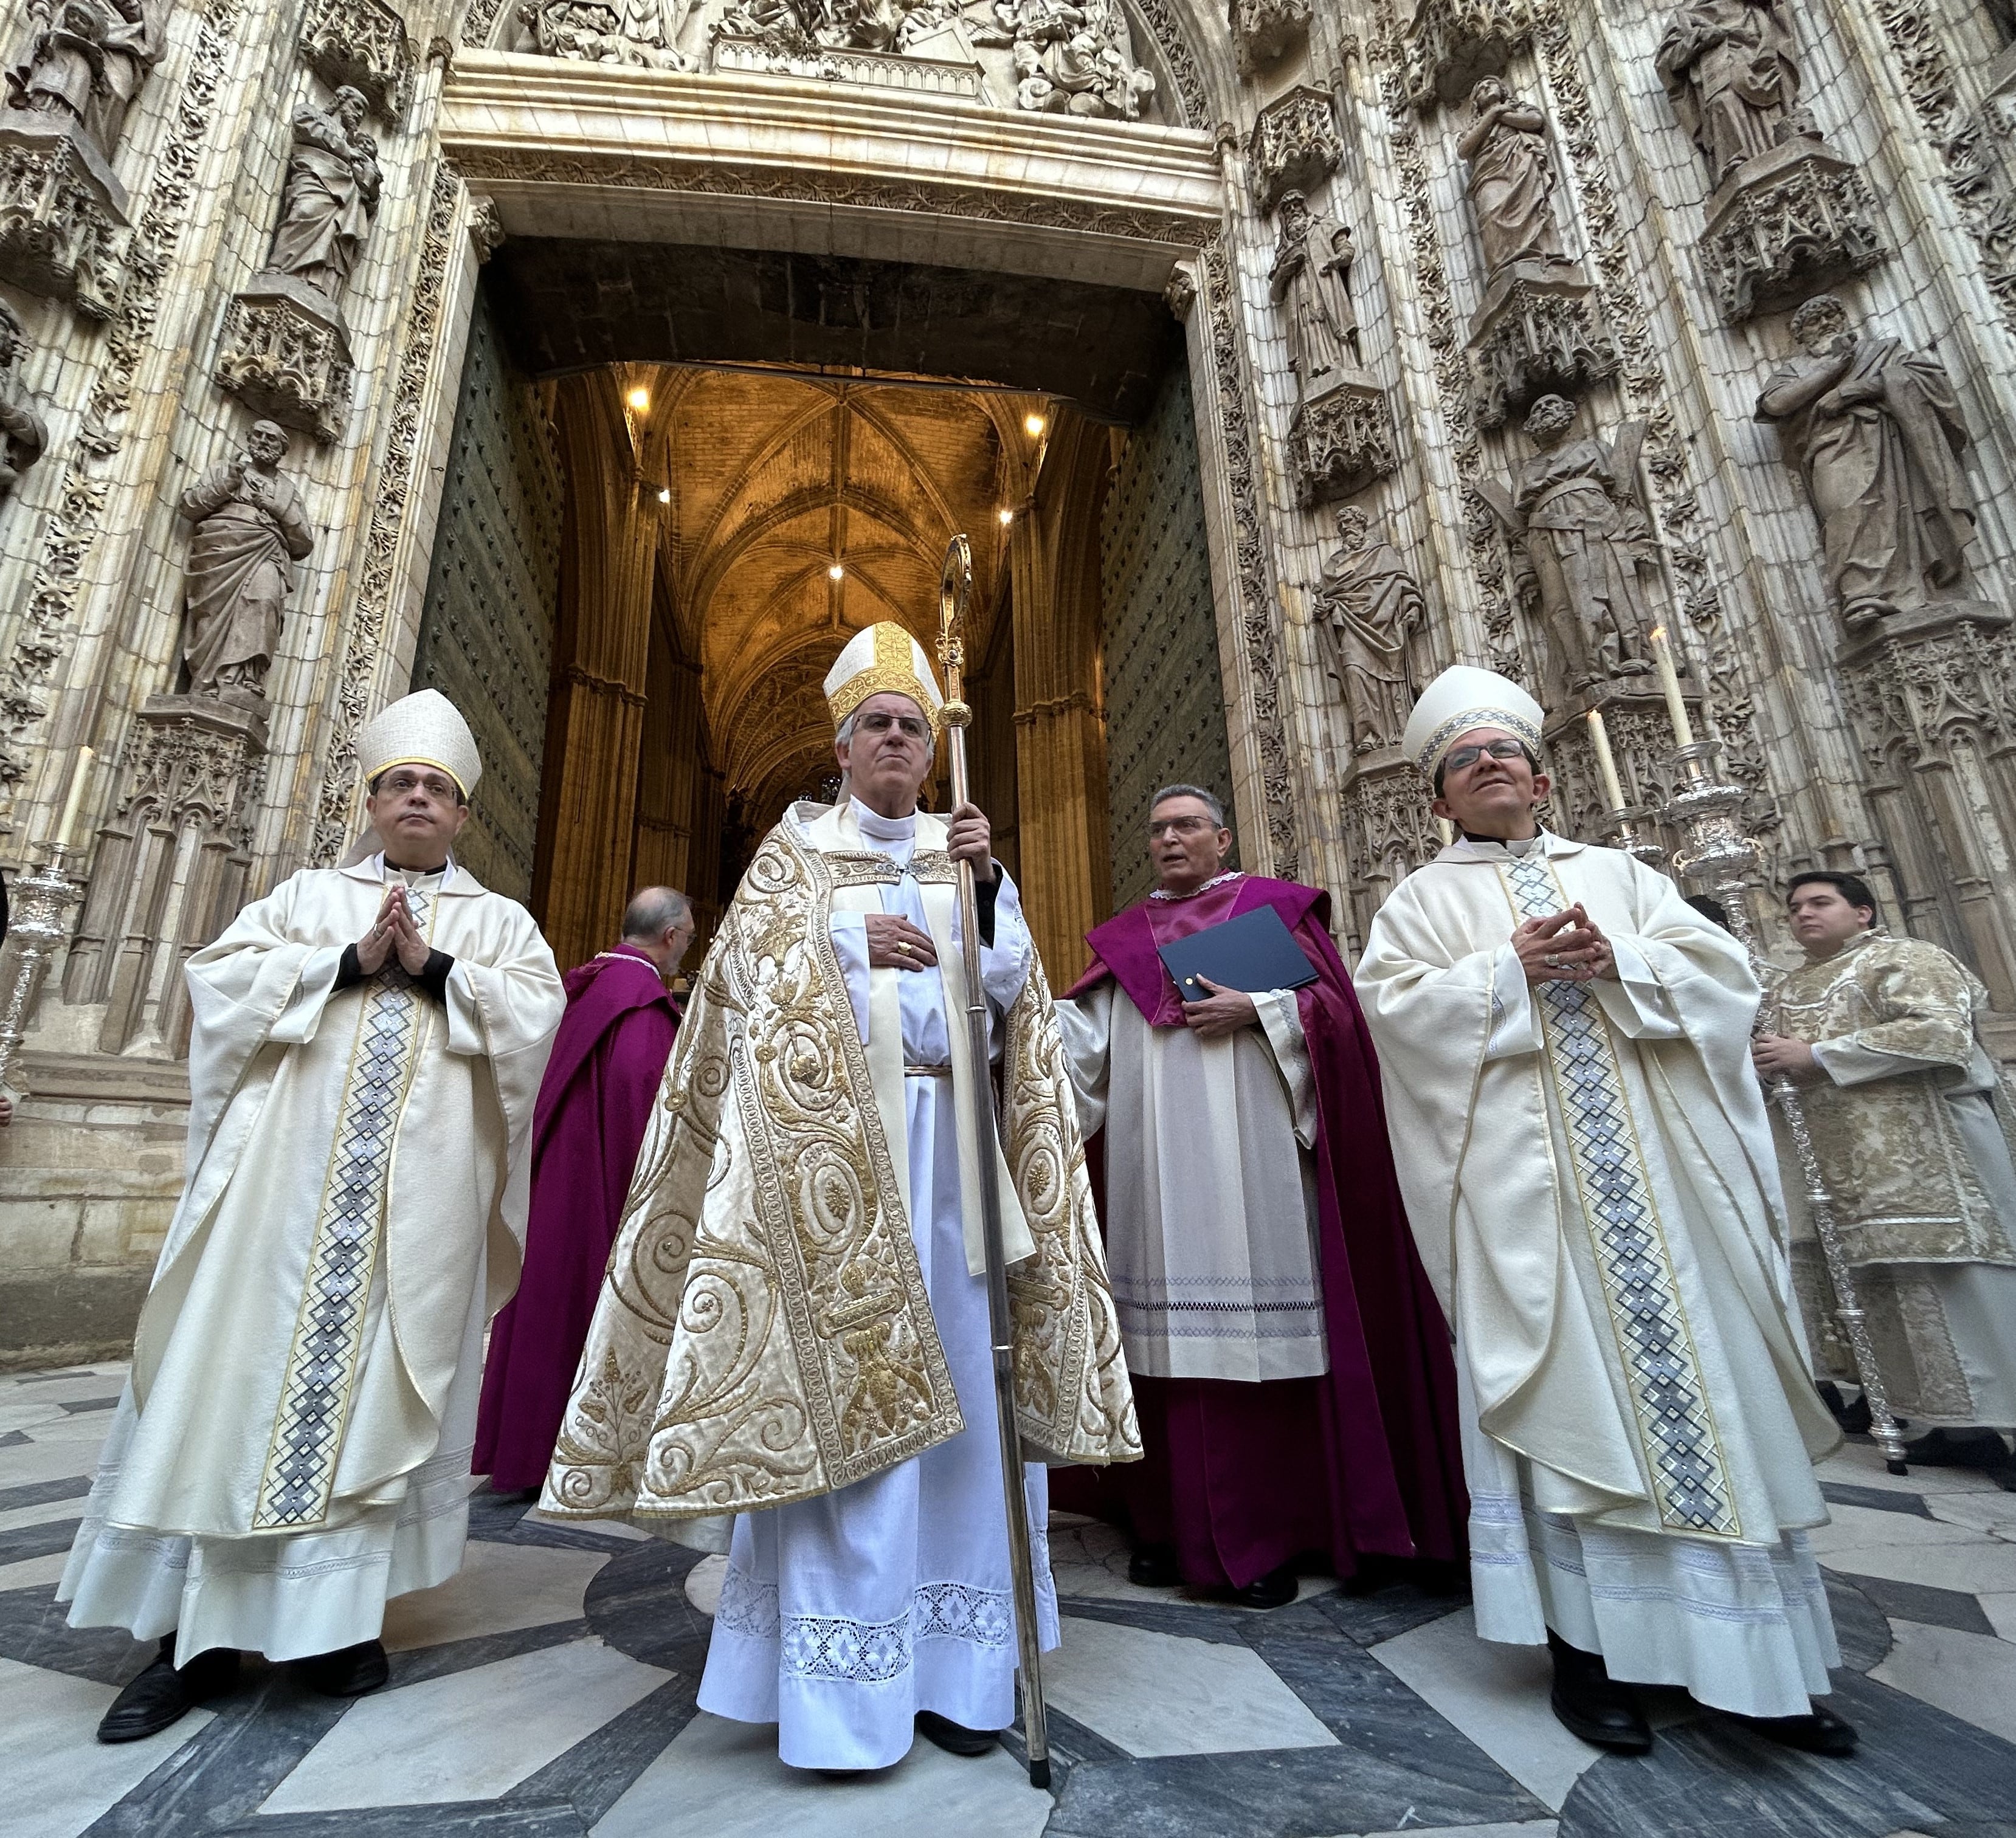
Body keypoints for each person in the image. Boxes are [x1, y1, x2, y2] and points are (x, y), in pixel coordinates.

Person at [540, 622, 1137, 1774]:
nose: (899, 741)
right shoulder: (794, 853)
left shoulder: (967, 848)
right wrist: (850, 938)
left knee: (969, 1401)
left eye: (914, 725)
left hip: (953, 1151)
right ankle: (842, 1695)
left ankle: (967, 1676)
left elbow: (1014, 992)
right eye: (878, 724)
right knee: (848, 1406)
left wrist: (992, 885)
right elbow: (737, 989)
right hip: (832, 1168)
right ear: (843, 742)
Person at [1355, 665, 1854, 1758]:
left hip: (1664, 1195)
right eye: (1463, 760)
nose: (1489, 766)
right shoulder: (1420, 902)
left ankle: (1761, 1666)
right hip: (1531, 1205)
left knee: (1709, 1403)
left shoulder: (1624, 875)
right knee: (1574, 1402)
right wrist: (1504, 970)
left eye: (1505, 754)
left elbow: (1721, 977)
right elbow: (1392, 1010)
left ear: (1542, 776)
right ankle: (1592, 1652)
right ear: (1436, 799)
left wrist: (1618, 956)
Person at [60, 690, 565, 1743]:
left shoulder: (497, 922)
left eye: (437, 786)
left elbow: (535, 1015)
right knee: (229, 1394)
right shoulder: (301, 898)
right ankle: (186, 1644)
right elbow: (220, 980)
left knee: (375, 1402)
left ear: (463, 812)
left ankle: (331, 1627)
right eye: (401, 782)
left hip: (411, 1224)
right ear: (372, 799)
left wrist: (434, 971)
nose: (418, 796)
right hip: (276, 1214)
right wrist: (341, 962)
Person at [1054, 785, 1466, 1607]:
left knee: (1268, 1361)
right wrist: (1006, 1012)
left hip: (1265, 1180)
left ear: (1222, 836)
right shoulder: (1124, 947)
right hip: (1158, 1187)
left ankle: (1281, 1529)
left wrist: (1265, 1009)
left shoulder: (1275, 916)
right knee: (1164, 1362)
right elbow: (1075, 1064)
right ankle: (1166, 1527)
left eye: (1187, 826)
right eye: (1159, 828)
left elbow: (1346, 1025)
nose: (1171, 840)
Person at [1755, 872, 2016, 1481]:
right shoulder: (1787, 988)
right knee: (1894, 1301)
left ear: (1864, 913)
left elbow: (1940, 1034)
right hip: (1844, 1168)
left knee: (1972, 1294)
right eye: (1794, 908)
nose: (1802, 916)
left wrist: (1816, 1056)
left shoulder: (1909, 958)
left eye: (1820, 903)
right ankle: (1959, 1429)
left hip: (1934, 1157)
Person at [474, 885, 694, 1495]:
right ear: (671, 937)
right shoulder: (642, 1009)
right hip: (601, 1192)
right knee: (585, 1311)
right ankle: (579, 1455)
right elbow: (644, 1115)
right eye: (689, 938)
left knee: (543, 1304)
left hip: (548, 1187)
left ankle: (521, 1450)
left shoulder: (577, 991)